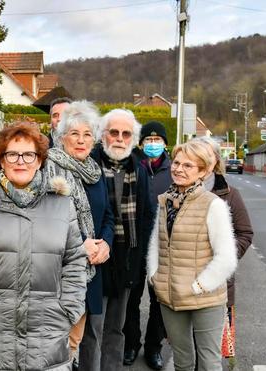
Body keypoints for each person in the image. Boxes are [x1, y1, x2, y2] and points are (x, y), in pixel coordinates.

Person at [0, 122, 87, 370]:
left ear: (40, 160)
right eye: (12, 154)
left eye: (28, 154)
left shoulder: (62, 205)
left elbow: (74, 261)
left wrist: (69, 309)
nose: (20, 161)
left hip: (45, 331)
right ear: (1, 160)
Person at [147, 141, 238, 371]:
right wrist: (154, 276)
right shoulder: (165, 201)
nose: (178, 169)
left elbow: (226, 256)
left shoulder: (213, 204)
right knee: (182, 360)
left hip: (205, 298)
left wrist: (199, 285)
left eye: (188, 165)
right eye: (176, 163)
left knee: (209, 363)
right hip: (170, 295)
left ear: (203, 172)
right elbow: (156, 243)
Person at [44, 101, 114, 371]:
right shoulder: (48, 168)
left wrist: (105, 244)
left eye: (87, 134)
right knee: (51, 345)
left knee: (73, 344)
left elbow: (108, 215)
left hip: (88, 273)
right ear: (62, 137)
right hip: (56, 274)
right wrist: (78, 244)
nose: (81, 140)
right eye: (74, 134)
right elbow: (42, 220)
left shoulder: (96, 173)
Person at [91, 109, 155, 371]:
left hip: (126, 261)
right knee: (92, 329)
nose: (119, 138)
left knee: (117, 328)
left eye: (126, 133)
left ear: (133, 138)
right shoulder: (90, 165)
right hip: (95, 258)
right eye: (113, 132)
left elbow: (147, 217)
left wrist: (140, 261)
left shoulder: (139, 171)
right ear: (103, 135)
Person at [192, 136, 253, 360]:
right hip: (183, 282)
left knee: (211, 352)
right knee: (186, 349)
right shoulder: (175, 192)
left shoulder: (230, 194)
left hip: (218, 285)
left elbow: (245, 234)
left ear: (215, 161)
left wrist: (222, 260)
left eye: (206, 156)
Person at [123, 121, 171, 369]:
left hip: (162, 246)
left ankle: (154, 347)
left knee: (159, 299)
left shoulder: (173, 170)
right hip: (135, 243)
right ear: (141, 144)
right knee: (131, 297)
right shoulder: (131, 165)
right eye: (149, 141)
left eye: (158, 140)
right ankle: (130, 344)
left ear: (165, 143)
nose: (153, 145)